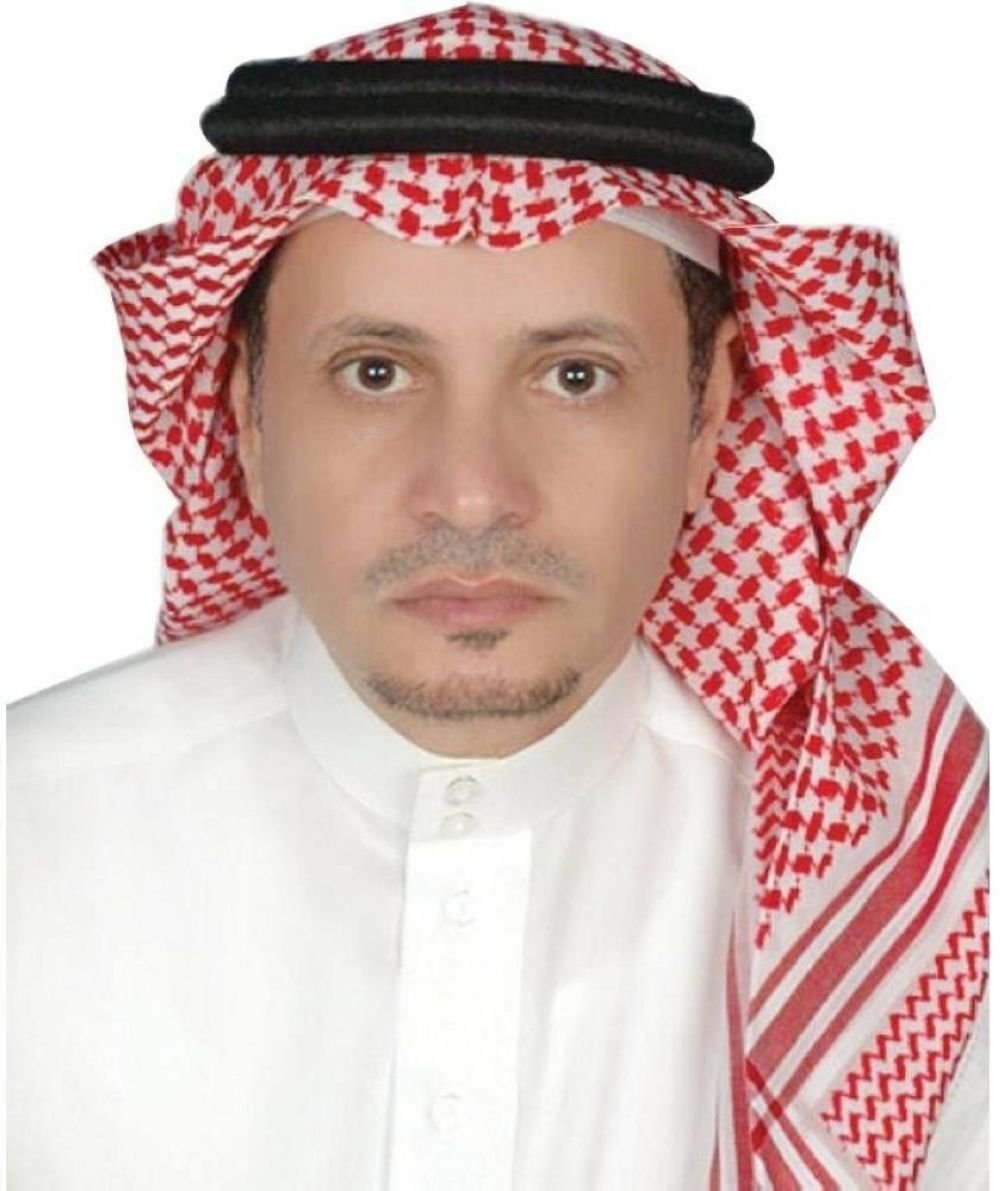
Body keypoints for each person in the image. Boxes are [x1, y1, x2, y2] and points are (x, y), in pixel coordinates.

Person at [5, 4, 988, 1188]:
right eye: (375, 373)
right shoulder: (27, 840)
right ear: (246, 417)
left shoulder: (928, 902)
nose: (472, 494)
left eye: (574, 376)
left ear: (707, 417)